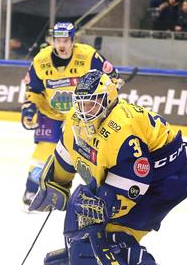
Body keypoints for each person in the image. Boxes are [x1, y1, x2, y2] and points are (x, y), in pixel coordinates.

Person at [29, 69, 187, 265]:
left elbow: (136, 181)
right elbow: (65, 155)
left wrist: (106, 206)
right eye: (81, 102)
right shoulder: (75, 120)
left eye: (92, 103)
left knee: (113, 234)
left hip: (163, 182)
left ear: (108, 100)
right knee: (79, 207)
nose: (84, 110)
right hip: (132, 174)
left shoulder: (121, 129)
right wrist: (56, 184)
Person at [20, 21, 118, 210]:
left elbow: (110, 78)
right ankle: (33, 190)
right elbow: (33, 89)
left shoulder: (88, 56)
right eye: (58, 40)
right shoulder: (41, 60)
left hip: (83, 115)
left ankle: (97, 194)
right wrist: (29, 107)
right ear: (52, 40)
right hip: (51, 114)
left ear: (73, 40)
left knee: (88, 155)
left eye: (66, 40)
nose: (62, 45)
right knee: (44, 154)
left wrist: (111, 87)